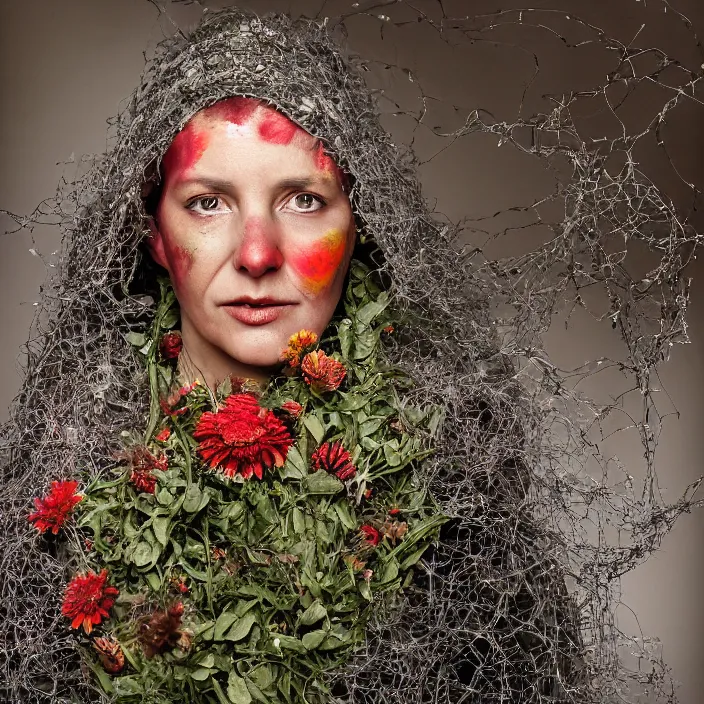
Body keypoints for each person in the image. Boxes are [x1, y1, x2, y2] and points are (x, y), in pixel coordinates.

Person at [0, 6, 694, 704]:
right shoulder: (62, 478)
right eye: (208, 203)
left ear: (363, 220)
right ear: (152, 231)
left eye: (303, 200)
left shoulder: (453, 481)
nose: (258, 255)